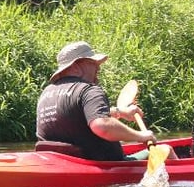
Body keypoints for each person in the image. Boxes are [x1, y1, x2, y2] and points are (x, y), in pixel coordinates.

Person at [36, 41, 174, 161]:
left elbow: (77, 115)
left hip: (62, 162)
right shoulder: (89, 90)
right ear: (76, 67)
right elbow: (101, 126)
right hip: (103, 164)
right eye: (93, 63)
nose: (98, 68)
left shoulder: (47, 93)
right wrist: (141, 136)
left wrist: (119, 112)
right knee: (166, 150)